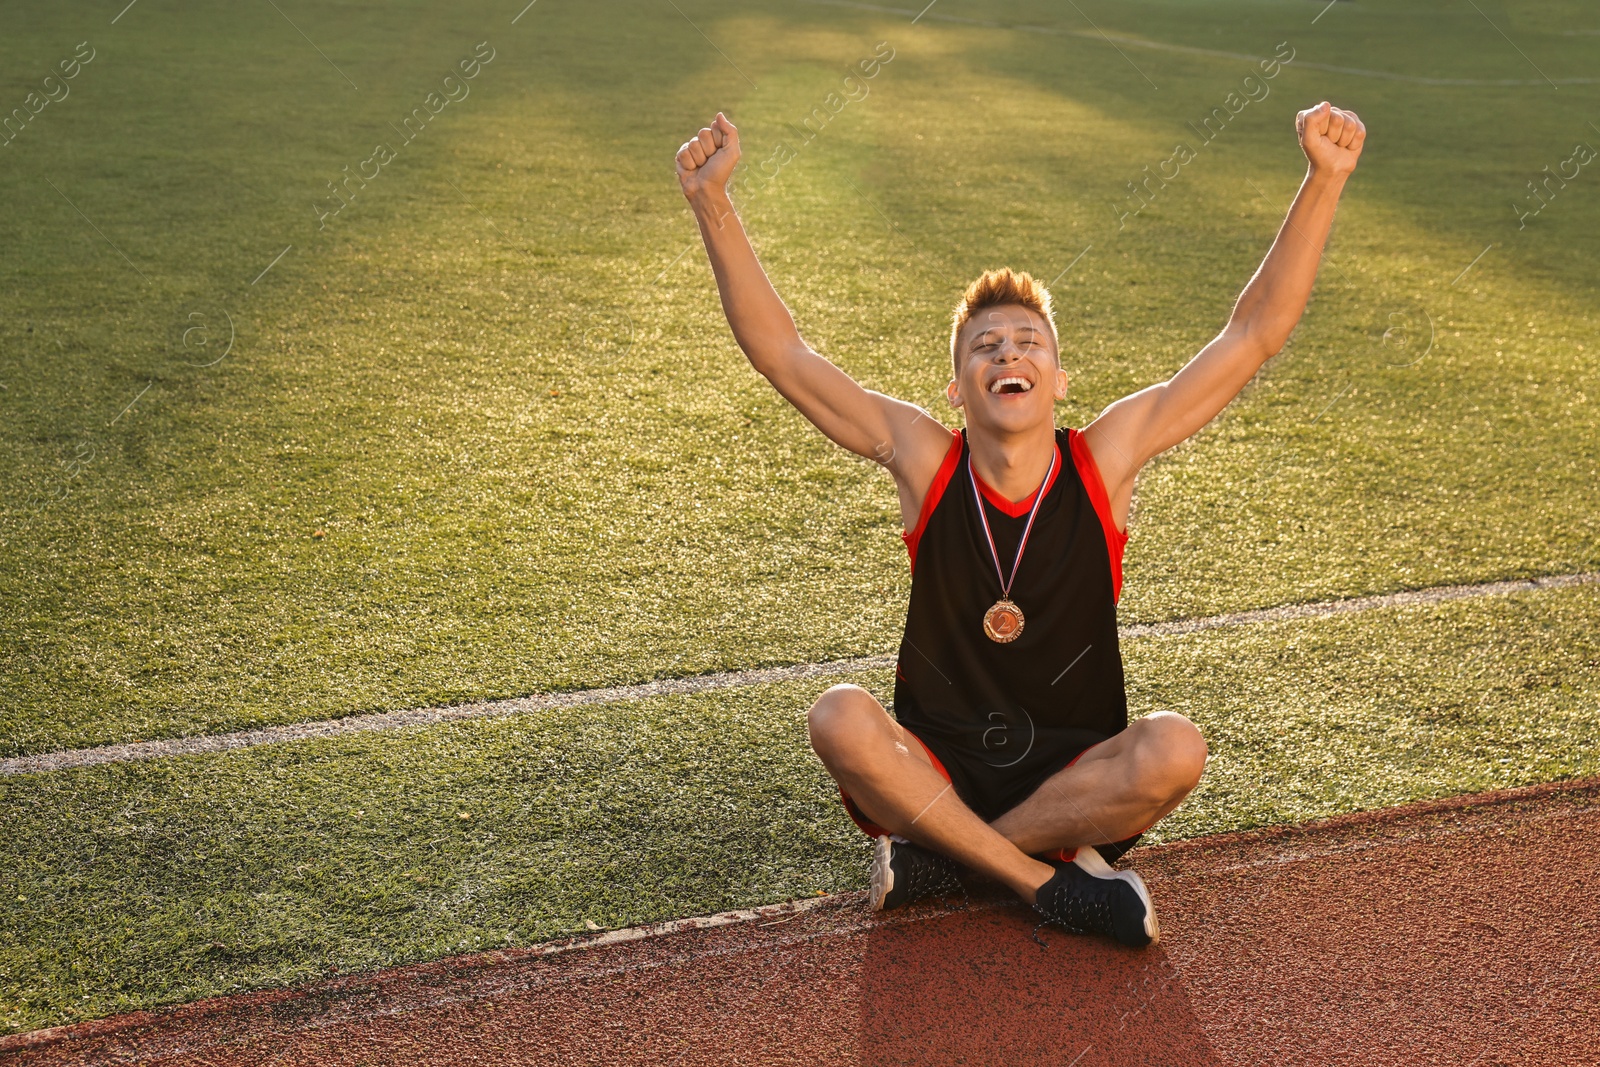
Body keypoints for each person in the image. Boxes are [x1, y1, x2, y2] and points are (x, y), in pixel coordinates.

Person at [675, 102, 1366, 946]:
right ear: (957, 391)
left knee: (1176, 748)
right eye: (986, 346)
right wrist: (713, 204)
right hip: (938, 768)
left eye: (1029, 341)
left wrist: (1323, 180)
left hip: (1075, 774)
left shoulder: (1104, 460)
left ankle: (951, 861)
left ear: (1059, 377)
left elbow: (1254, 333)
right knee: (837, 717)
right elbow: (785, 354)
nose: (1009, 353)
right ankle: (1046, 884)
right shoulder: (926, 462)